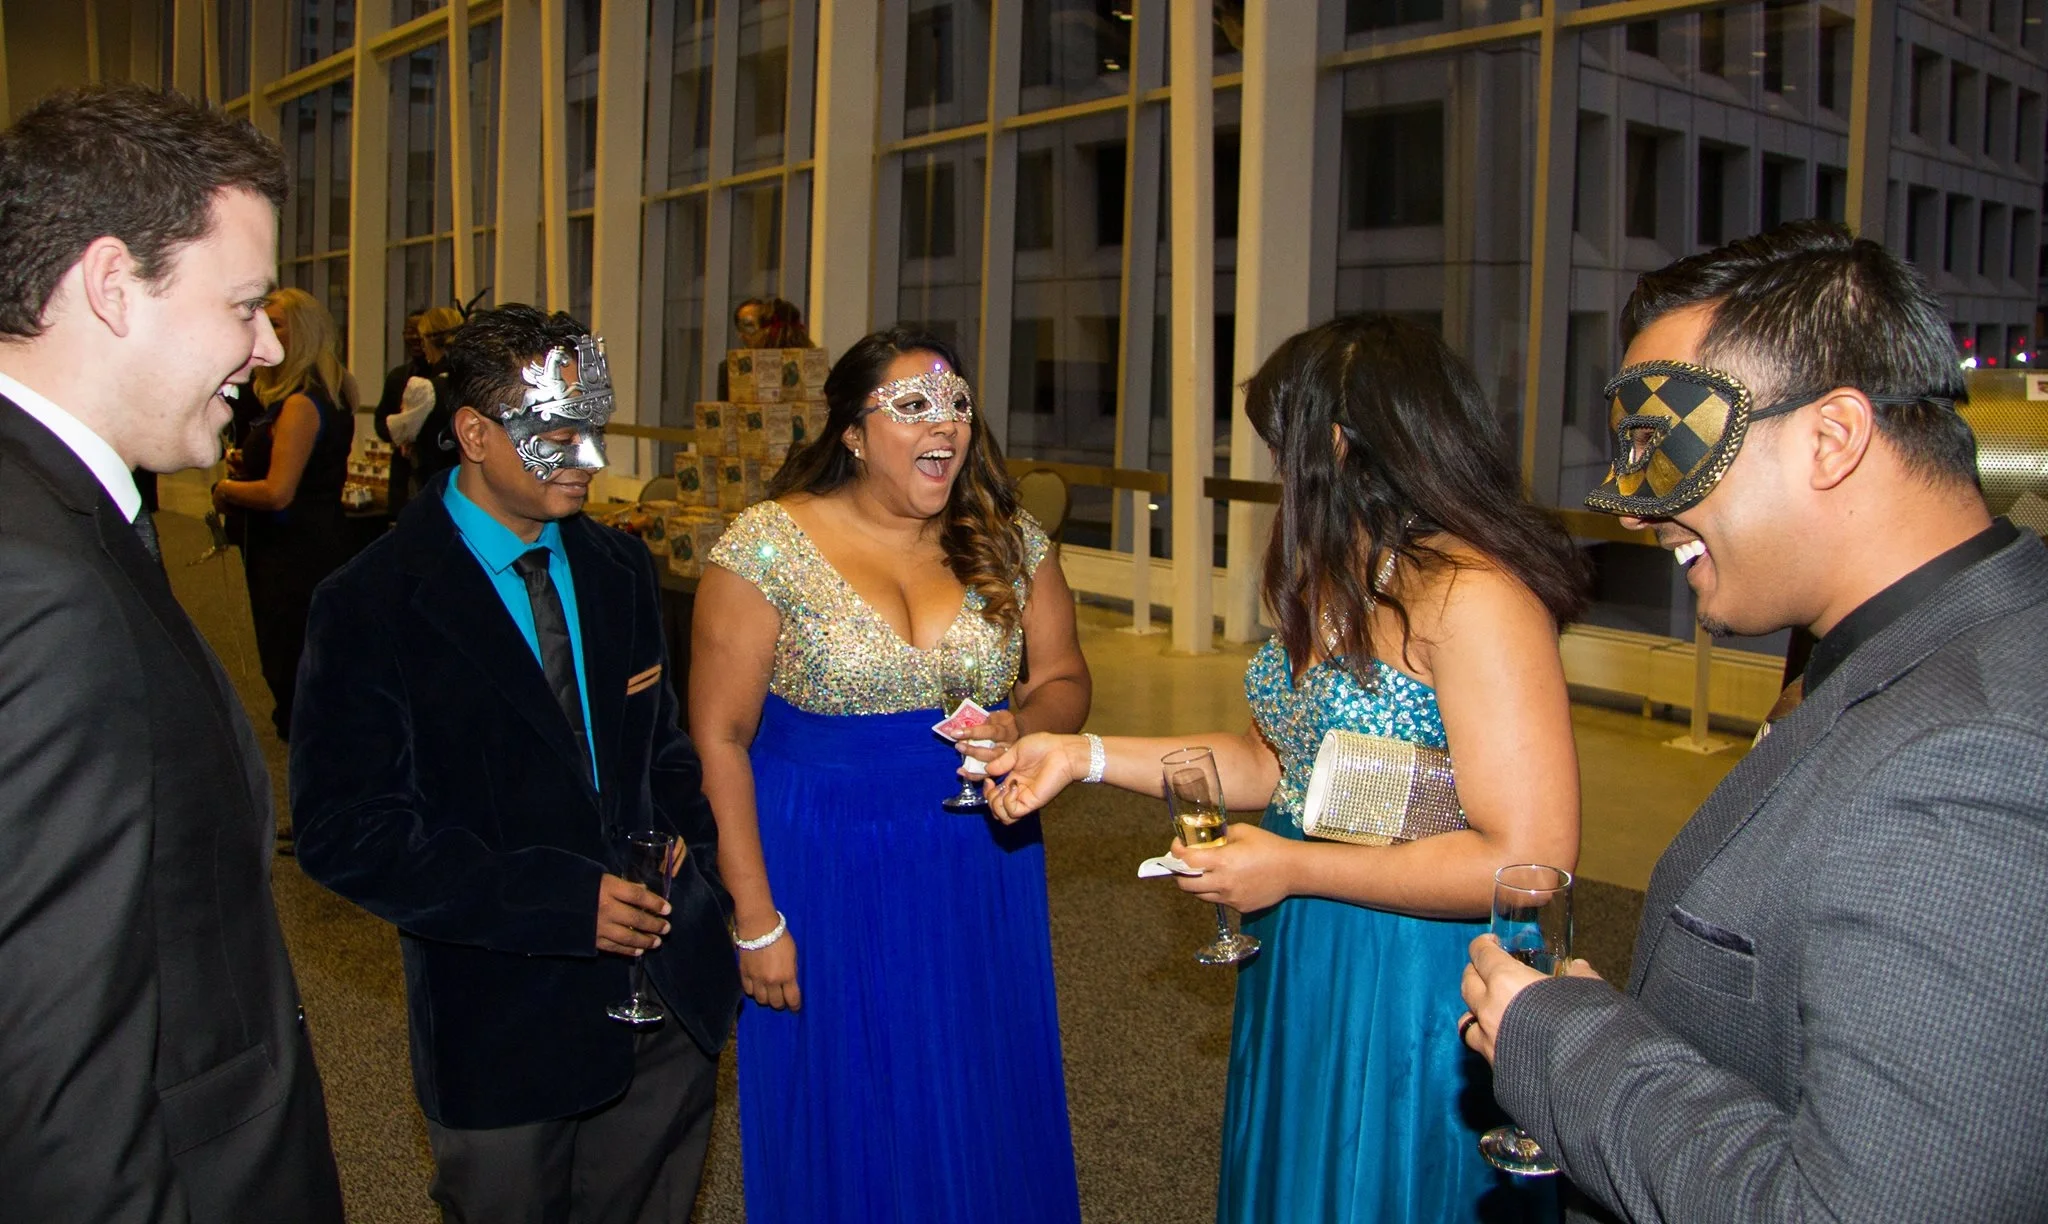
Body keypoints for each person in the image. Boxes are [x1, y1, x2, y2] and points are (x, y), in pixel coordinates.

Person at [1460, 223, 2048, 1220]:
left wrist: (1564, 1041)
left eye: (1664, 450)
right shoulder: (1900, 657)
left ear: (1831, 438)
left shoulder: (1971, 756)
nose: (1637, 510)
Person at [988, 314, 1588, 1223]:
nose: (1274, 467)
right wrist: (1084, 755)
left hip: (1414, 966)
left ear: (1336, 444)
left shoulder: (1474, 596)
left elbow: (1531, 856)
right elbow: (1273, 764)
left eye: (1282, 443)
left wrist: (1293, 865)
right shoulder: (1341, 572)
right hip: (1313, 936)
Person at [291, 305, 741, 1223]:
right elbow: (347, 833)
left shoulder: (619, 567)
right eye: (559, 434)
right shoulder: (370, 604)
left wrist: (702, 882)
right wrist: (551, 900)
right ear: (475, 434)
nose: (590, 460)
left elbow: (662, 748)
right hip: (502, 1018)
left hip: (666, 1003)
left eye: (594, 430)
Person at [0, 84, 343, 1222]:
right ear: (110, 285)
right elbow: (58, 1075)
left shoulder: (57, 516)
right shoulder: (45, 583)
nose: (270, 343)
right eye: (244, 305)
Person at [691, 327, 1092, 1222]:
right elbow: (718, 736)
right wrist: (753, 919)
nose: (942, 422)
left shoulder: (1008, 538)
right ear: (854, 433)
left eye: (955, 404)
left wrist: (1023, 724)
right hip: (823, 858)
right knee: (850, 1089)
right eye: (910, 405)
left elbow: (1064, 680)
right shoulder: (766, 544)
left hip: (977, 853)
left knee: (976, 1073)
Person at [211, 286, 357, 745]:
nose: (264, 334)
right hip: (318, 542)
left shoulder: (299, 404)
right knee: (310, 660)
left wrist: (225, 488)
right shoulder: (334, 391)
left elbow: (278, 493)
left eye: (276, 324)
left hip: (293, 554)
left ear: (305, 334)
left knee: (290, 659)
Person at [399, 303, 465, 499]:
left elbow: (402, 437)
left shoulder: (426, 388)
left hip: (433, 485)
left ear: (428, 340)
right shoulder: (473, 382)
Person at [374, 310, 428, 519]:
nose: (413, 337)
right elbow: (380, 422)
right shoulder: (397, 376)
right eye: (408, 331)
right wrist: (399, 435)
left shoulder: (443, 378)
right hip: (402, 473)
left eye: (418, 331)